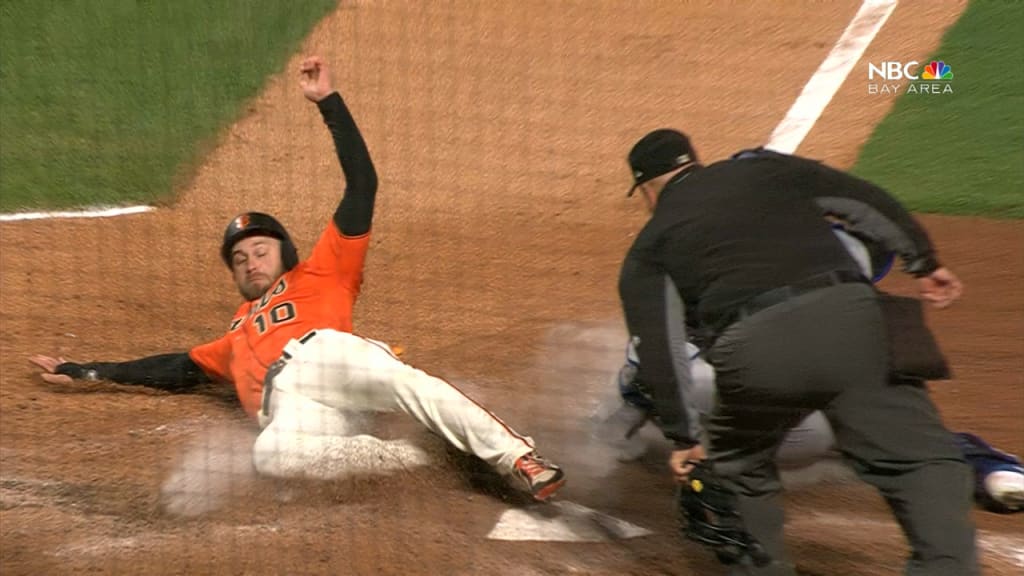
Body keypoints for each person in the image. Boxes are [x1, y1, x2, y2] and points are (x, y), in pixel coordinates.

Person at [29, 56, 565, 502]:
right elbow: (175, 367)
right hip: (292, 409)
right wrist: (86, 371)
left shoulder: (324, 270)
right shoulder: (234, 335)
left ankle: (518, 457)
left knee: (408, 385)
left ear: (284, 253)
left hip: (328, 356)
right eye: (239, 259)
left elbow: (363, 185)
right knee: (271, 455)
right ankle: (420, 455)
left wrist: (328, 103)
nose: (250, 262)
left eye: (260, 250)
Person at [617, 131, 976, 575]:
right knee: (920, 460)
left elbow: (661, 351)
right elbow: (864, 200)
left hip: (757, 353)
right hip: (855, 322)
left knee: (738, 470)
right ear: (693, 161)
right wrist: (924, 262)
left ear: (648, 189)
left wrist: (684, 438)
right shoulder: (765, 170)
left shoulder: (649, 248)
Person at [595, 226, 1024, 514]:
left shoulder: (691, 298)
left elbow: (646, 371)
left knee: (660, 384)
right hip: (828, 411)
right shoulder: (849, 290)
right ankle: (988, 470)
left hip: (754, 427)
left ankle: (725, 495)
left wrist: (608, 438)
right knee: (891, 436)